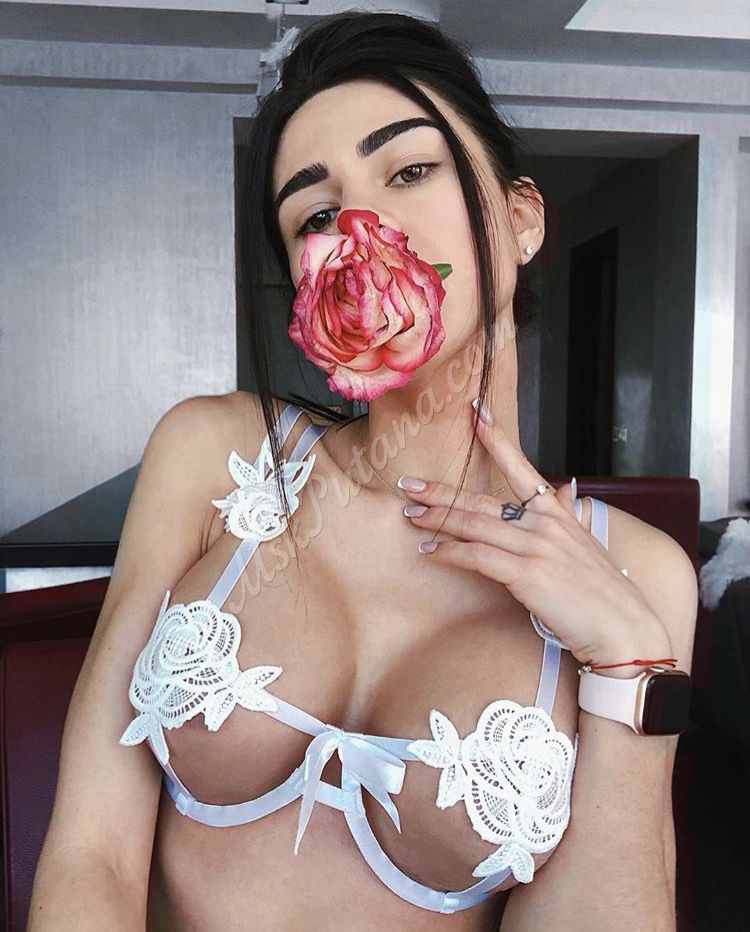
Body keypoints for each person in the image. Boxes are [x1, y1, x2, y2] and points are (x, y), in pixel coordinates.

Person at [29, 11, 697, 931]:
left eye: (410, 171)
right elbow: (91, 853)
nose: (363, 228)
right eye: (316, 215)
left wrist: (628, 665)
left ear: (521, 219)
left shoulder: (644, 575)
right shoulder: (210, 455)